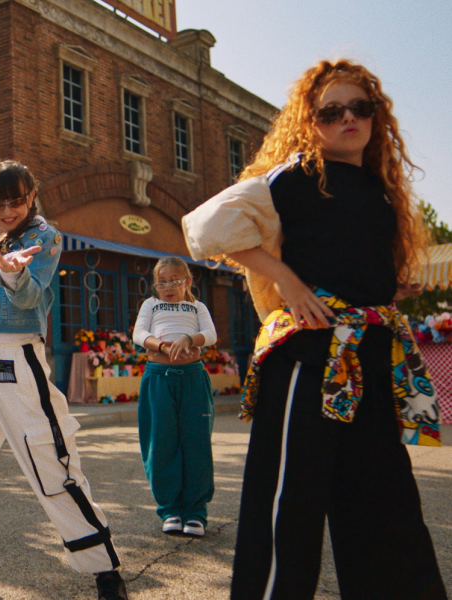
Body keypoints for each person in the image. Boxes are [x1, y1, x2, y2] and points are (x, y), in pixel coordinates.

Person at [182, 59, 447, 600]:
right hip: (310, 356)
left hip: (370, 356)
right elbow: (206, 227)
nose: (347, 118)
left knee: (386, 502)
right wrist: (288, 282)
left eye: (360, 108)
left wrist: (387, 288)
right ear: (311, 122)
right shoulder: (296, 176)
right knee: (289, 507)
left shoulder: (381, 190)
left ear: (377, 117)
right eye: (331, 111)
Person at [0, 160, 128, 600]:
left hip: (15, 357)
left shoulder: (44, 237)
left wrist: (10, 272)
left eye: (16, 200)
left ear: (31, 194)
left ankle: (103, 567)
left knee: (51, 460)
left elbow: (31, 298)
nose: (7, 211)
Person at [132, 257, 217, 538]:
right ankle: (170, 509)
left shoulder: (197, 307)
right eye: (162, 281)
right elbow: (139, 333)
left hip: (193, 378)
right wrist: (163, 346)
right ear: (156, 284)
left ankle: (195, 512)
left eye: (175, 280)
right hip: (158, 378)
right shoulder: (151, 305)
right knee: (162, 442)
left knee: (196, 442)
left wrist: (188, 340)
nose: (168, 286)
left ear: (188, 282)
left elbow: (211, 334)